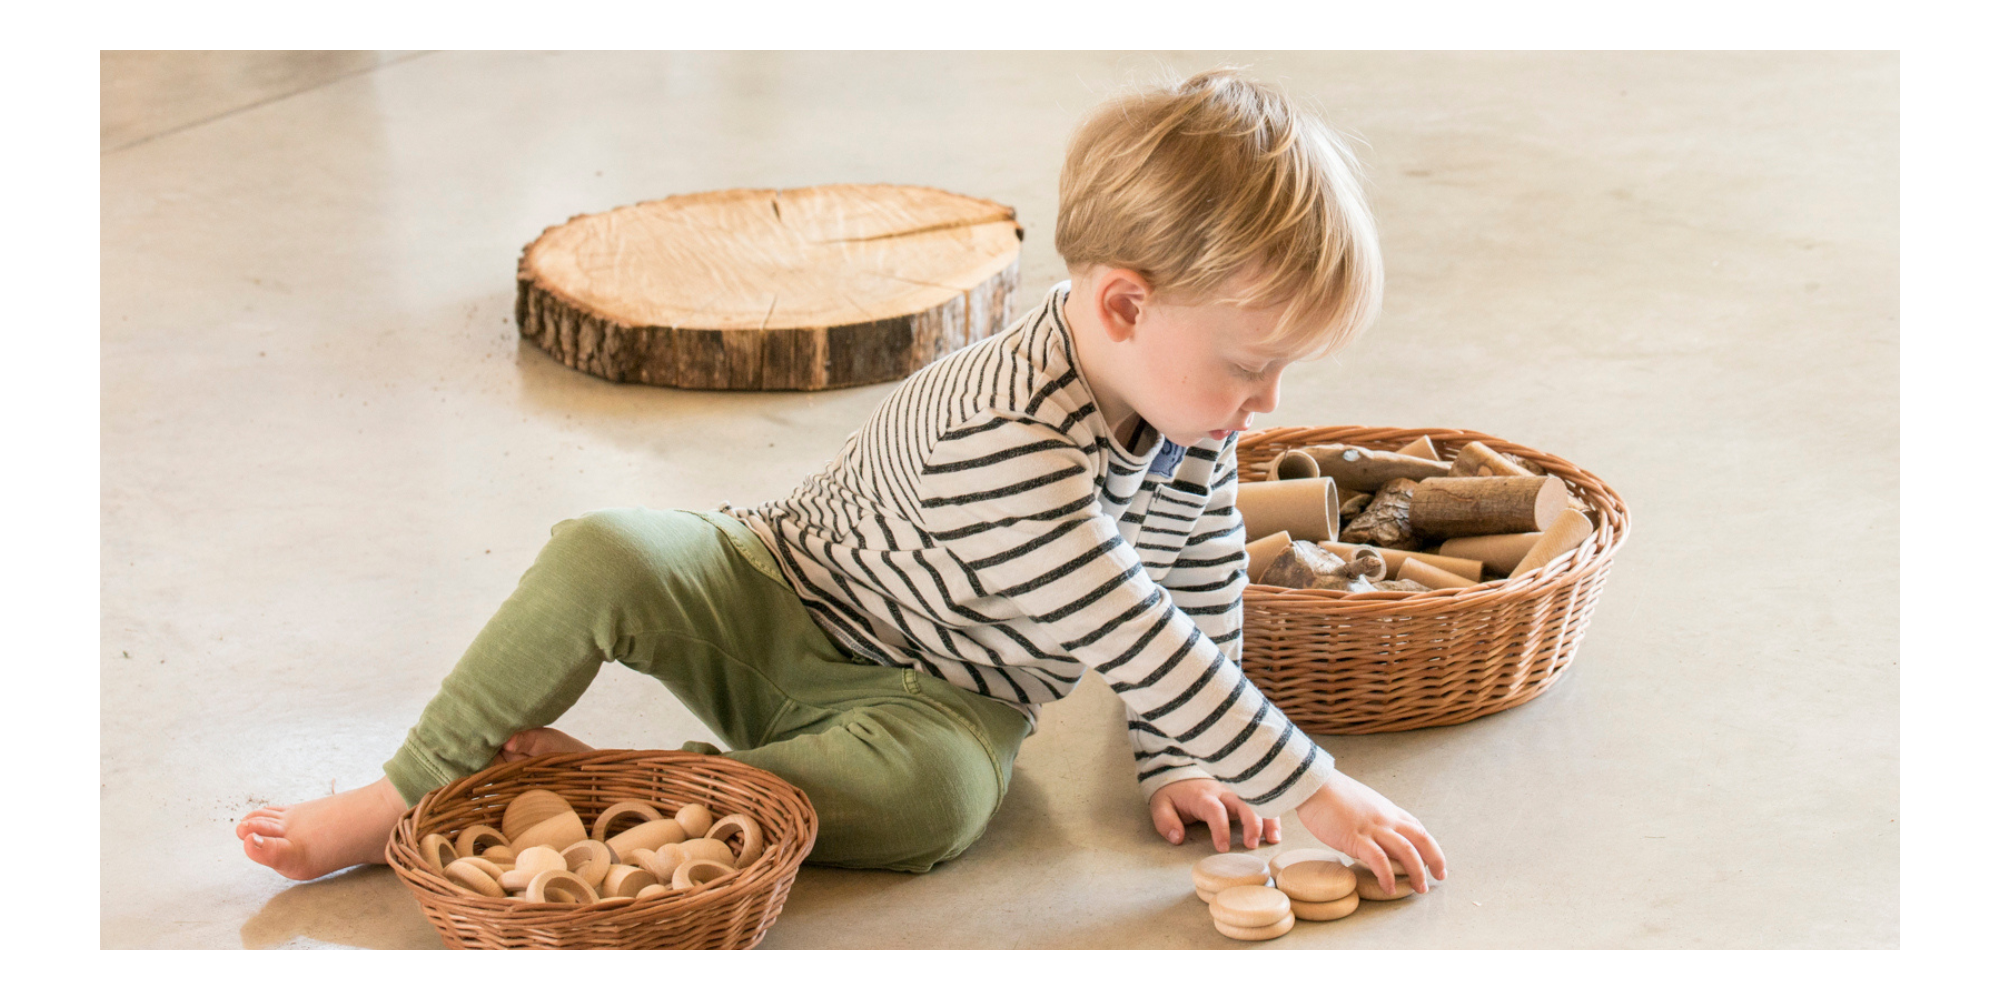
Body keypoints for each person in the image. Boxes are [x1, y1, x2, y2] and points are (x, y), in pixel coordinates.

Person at [237, 68, 1446, 896]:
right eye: (1252, 365)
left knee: (936, 803)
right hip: (776, 587)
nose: (1266, 403)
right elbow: (1127, 627)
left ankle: (623, 790)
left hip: (938, 699)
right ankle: (404, 789)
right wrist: (1315, 788)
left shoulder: (1185, 404)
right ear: (1122, 305)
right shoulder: (1011, 436)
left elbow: (1193, 576)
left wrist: (1179, 758)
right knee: (605, 548)